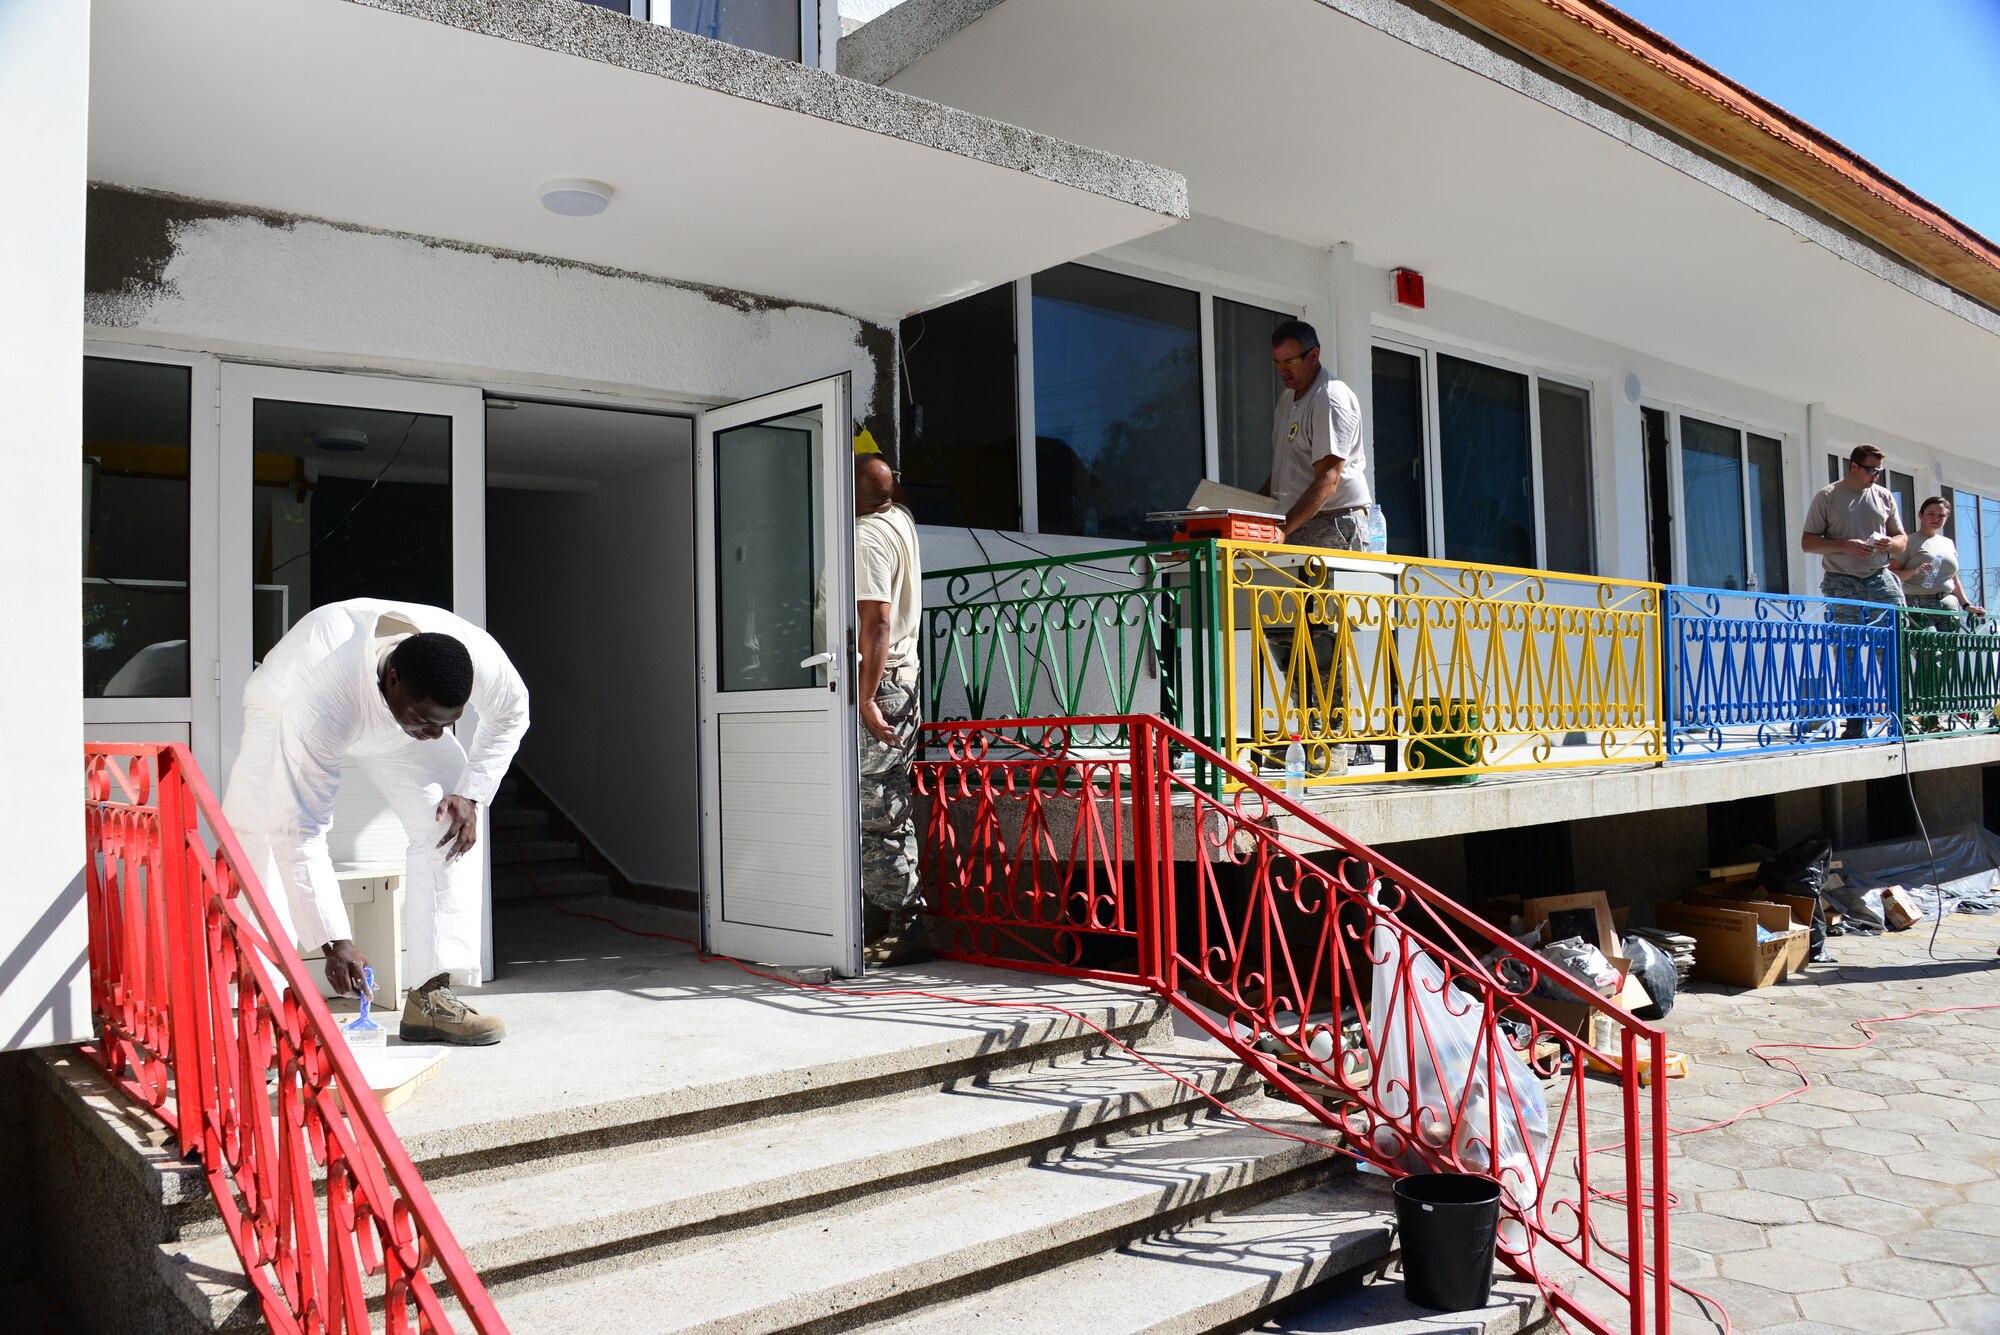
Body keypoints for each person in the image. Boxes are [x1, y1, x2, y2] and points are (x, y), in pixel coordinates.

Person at [221, 599, 530, 1044]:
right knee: (261, 838)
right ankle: (256, 1007)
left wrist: (472, 793)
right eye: (428, 720)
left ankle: (430, 999)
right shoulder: (323, 695)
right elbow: (301, 828)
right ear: (393, 680)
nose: (437, 734)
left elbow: (512, 711)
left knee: (451, 824)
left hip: (392, 719)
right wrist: (335, 941)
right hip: (282, 705)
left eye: (448, 723)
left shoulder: (471, 658)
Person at [1259, 319, 1373, 766]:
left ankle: (1337, 742)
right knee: (1283, 628)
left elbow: (1328, 477)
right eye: (1276, 363)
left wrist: (1282, 528)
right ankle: (1306, 734)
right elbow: (1284, 473)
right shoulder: (1287, 401)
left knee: (1321, 633)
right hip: (1294, 523)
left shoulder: (1331, 397)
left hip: (1332, 522)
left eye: (1290, 361)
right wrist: (1250, 512)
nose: (1283, 371)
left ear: (1314, 354)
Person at [854, 455, 927, 965]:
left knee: (876, 811)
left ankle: (907, 924)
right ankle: (881, 914)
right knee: (883, 805)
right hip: (901, 682)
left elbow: (877, 625)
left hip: (880, 687)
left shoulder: (865, 538)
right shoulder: (898, 518)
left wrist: (863, 696)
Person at [1800, 445, 1907, 739]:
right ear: (1854, 467)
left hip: (1879, 577)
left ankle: (1901, 716)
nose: (1876, 475)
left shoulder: (1884, 496)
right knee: (1847, 651)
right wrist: (1845, 544)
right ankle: (1856, 721)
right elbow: (1808, 543)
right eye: (1872, 469)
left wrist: (1889, 543)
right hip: (1841, 580)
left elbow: (1902, 540)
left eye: (1879, 471)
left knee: (1894, 646)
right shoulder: (1828, 496)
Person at [1894, 495, 1984, 616]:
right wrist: (1915, 571)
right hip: (1917, 604)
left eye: (1941, 516)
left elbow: (1954, 579)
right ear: (1921, 515)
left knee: (1948, 636)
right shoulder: (1909, 541)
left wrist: (1967, 606)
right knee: (1928, 635)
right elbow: (1891, 576)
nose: (1936, 518)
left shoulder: (1948, 543)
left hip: (1948, 605)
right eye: (1931, 514)